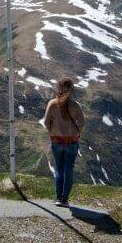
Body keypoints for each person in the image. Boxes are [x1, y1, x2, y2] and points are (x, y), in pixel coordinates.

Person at [43, 78, 85, 208]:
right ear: (71, 89)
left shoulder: (52, 104)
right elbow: (82, 124)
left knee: (59, 169)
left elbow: (46, 123)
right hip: (71, 142)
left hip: (56, 141)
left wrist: (52, 131)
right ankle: (65, 199)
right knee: (69, 170)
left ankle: (58, 198)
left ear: (58, 88)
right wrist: (78, 133)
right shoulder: (76, 106)